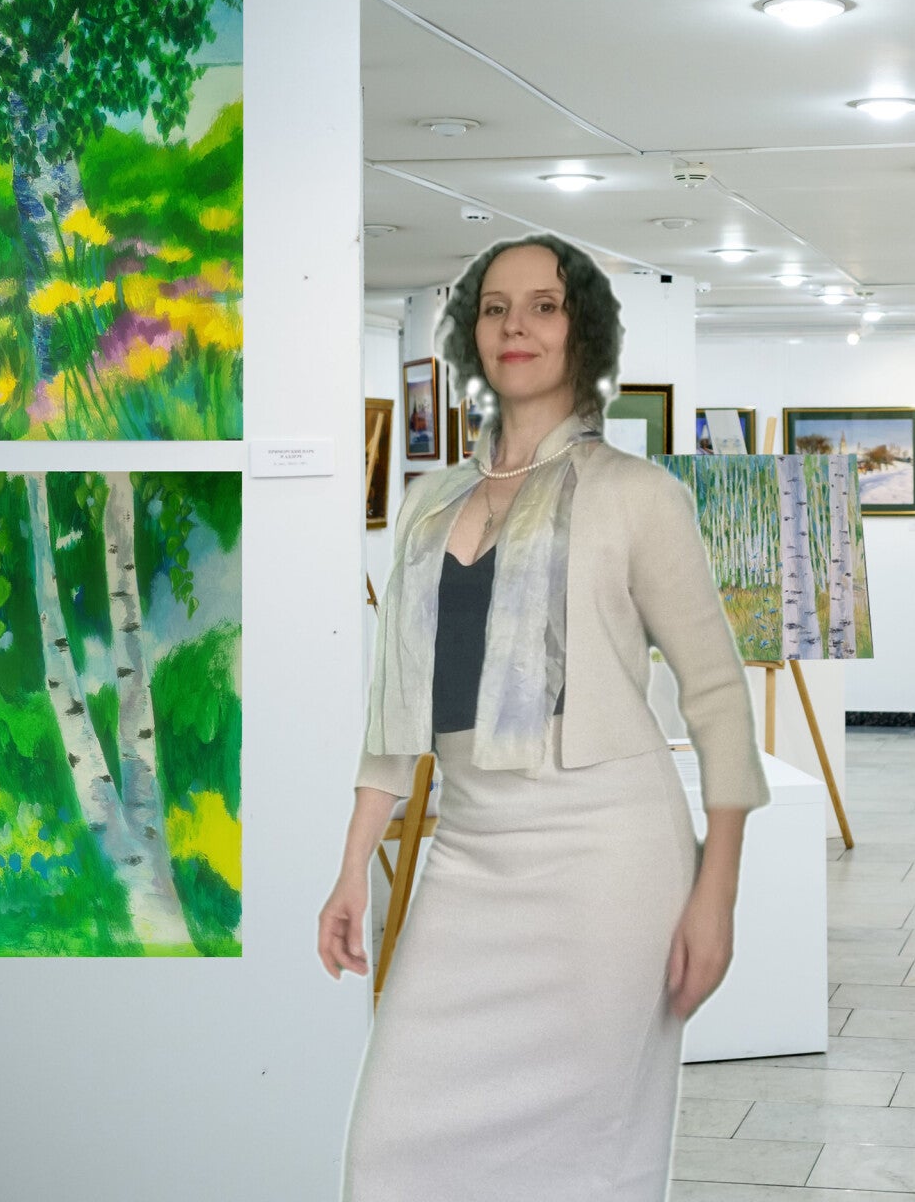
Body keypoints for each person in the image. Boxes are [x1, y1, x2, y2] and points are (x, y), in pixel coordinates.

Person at [318, 235, 769, 1200]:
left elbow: (719, 698)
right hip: (469, 853)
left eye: (544, 305)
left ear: (583, 330)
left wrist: (716, 892)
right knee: (389, 1154)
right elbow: (396, 705)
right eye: (495, 307)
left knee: (590, 1165)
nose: (515, 325)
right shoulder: (427, 503)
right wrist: (353, 866)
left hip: (609, 862)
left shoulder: (639, 497)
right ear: (470, 331)